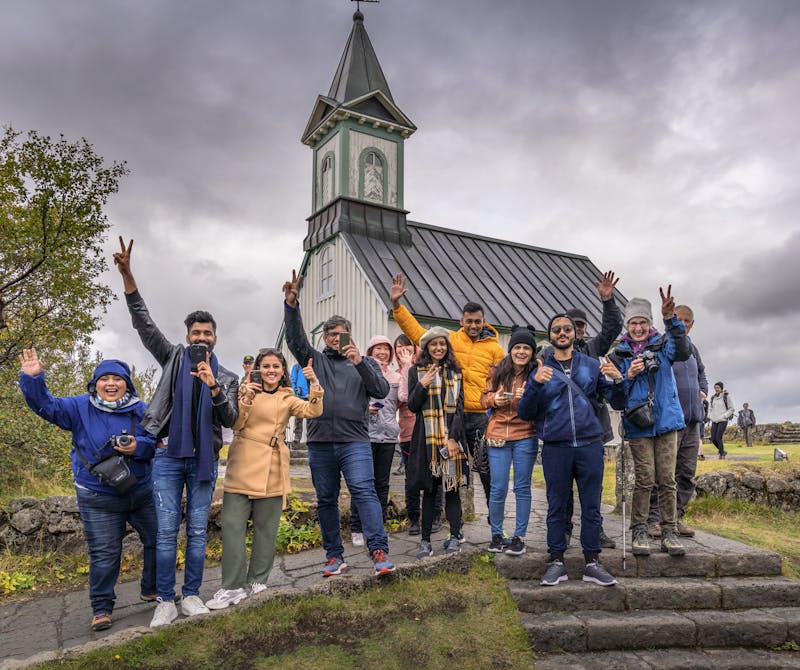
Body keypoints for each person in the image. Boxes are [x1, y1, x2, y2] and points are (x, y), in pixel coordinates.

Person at [113, 237, 239, 627]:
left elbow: (231, 419)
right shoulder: (172, 358)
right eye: (196, 333)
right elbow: (144, 325)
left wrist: (213, 386)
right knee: (167, 531)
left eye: (207, 333)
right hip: (168, 457)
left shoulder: (227, 376)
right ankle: (165, 600)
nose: (201, 338)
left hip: (204, 461)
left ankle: (191, 596)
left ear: (215, 337)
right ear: (187, 336)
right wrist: (128, 276)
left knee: (198, 532)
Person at [19, 349, 157, 632]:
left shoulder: (140, 409)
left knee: (158, 540)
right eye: (104, 379)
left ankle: (152, 588)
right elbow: (46, 406)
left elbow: (155, 442)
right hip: (98, 495)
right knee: (105, 554)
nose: (110, 384)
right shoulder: (79, 407)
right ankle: (102, 607)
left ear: (127, 385)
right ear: (94, 384)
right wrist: (33, 379)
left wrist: (137, 446)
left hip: (140, 491)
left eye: (117, 379)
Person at [282, 270, 395, 576]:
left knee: (364, 490)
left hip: (355, 440)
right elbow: (295, 339)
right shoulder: (313, 359)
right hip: (319, 442)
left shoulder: (365, 362)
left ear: (350, 335)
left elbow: (381, 391)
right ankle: (334, 556)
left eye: (341, 334)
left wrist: (359, 362)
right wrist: (291, 306)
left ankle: (379, 551)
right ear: (324, 338)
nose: (335, 339)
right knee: (326, 499)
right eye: (330, 335)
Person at [205, 352, 323, 609]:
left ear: (282, 371)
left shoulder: (287, 397)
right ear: (257, 368)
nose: (270, 370)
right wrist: (246, 396)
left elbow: (313, 410)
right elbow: (235, 423)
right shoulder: (244, 391)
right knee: (233, 527)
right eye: (265, 366)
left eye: (276, 366)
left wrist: (314, 383)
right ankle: (232, 587)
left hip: (272, 466)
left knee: (266, 529)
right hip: (242, 463)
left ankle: (259, 580)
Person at [518, 315, 625, 587]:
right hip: (556, 447)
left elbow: (618, 402)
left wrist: (619, 379)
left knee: (591, 506)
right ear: (550, 334)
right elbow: (525, 412)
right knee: (556, 506)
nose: (563, 333)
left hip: (590, 444)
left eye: (567, 329)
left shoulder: (591, 365)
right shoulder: (540, 368)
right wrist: (535, 384)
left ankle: (592, 562)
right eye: (557, 329)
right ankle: (556, 561)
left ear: (574, 334)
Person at [390, 273, 505, 515]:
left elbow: (505, 377)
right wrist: (397, 306)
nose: (473, 326)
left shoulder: (495, 349)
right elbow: (418, 333)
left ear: (484, 322)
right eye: (469, 321)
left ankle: (494, 526)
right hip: (453, 417)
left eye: (478, 321)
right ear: (461, 321)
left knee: (487, 471)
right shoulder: (451, 340)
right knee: (449, 468)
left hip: (481, 417)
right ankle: (453, 525)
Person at [611, 287, 691, 558]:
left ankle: (669, 531)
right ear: (627, 325)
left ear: (650, 323)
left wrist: (671, 319)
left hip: (667, 421)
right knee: (645, 480)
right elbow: (617, 399)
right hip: (638, 424)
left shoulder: (664, 345)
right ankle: (639, 530)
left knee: (667, 479)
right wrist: (628, 376)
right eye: (633, 323)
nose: (638, 327)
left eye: (643, 322)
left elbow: (683, 350)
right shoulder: (620, 354)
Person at [547, 271, 623, 550]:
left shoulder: (592, 349)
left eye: (580, 325)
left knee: (593, 490)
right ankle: (564, 532)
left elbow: (613, 327)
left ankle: (596, 531)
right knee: (562, 491)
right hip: (562, 433)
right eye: (571, 325)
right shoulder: (549, 355)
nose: (575, 330)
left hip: (592, 430)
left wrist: (608, 300)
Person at [647, 304, 707, 539]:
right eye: (677, 319)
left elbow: (701, 372)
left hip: (693, 422)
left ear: (692, 324)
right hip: (670, 420)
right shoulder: (663, 345)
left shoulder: (693, 348)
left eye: (687, 321)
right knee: (662, 474)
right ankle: (654, 520)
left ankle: (675, 518)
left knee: (686, 474)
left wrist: (703, 390)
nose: (682, 324)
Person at [407, 327, 468, 558]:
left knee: (451, 489)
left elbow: (459, 410)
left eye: (442, 344)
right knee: (430, 491)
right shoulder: (416, 371)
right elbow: (413, 406)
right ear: (427, 348)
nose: (439, 348)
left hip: (450, 441)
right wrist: (422, 384)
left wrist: (453, 439)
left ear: (447, 346)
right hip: (427, 441)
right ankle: (425, 541)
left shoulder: (456, 372)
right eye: (434, 344)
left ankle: (454, 537)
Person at [480, 325, 538, 556]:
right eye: (517, 347)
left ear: (532, 352)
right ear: (511, 349)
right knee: (498, 487)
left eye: (526, 348)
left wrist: (530, 395)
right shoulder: (497, 371)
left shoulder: (535, 373)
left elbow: (543, 400)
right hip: (497, 435)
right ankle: (496, 535)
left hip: (525, 434)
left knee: (522, 487)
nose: (521, 352)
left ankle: (519, 537)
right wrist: (496, 399)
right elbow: (483, 399)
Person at [349, 336, 401, 546]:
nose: (382, 352)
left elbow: (403, 400)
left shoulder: (396, 377)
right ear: (369, 352)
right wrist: (365, 410)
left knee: (382, 484)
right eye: (377, 348)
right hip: (365, 435)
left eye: (386, 349)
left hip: (388, 436)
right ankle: (356, 527)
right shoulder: (361, 372)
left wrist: (407, 366)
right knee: (362, 483)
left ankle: (377, 527)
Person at [396, 335, 444, 536]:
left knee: (436, 474)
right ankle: (414, 518)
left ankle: (435, 516)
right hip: (408, 432)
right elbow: (403, 398)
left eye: (406, 345)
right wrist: (406, 368)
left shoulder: (426, 369)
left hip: (433, 431)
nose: (402, 349)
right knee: (412, 478)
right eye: (398, 347)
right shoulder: (399, 372)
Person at [708, 382, 734, 458]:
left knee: (718, 437)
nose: (716, 389)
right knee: (713, 439)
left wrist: (725, 416)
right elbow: (710, 408)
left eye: (718, 387)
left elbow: (731, 408)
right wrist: (710, 416)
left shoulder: (726, 396)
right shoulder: (713, 397)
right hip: (714, 420)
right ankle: (722, 451)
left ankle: (721, 454)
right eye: (715, 388)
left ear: (721, 388)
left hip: (723, 420)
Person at [288, 361, 310, 447]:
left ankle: (310, 438)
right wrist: (295, 390)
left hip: (310, 396)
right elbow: (293, 379)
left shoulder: (312, 366)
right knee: (298, 419)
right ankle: (297, 439)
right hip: (299, 396)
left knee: (311, 420)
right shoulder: (296, 367)